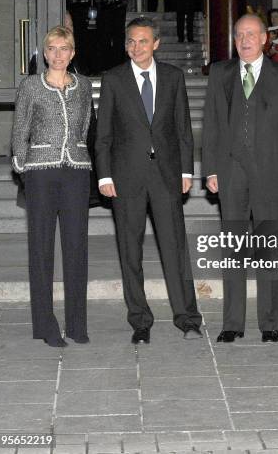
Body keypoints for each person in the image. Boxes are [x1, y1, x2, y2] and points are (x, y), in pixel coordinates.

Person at [95, 17, 202, 344]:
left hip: (167, 175)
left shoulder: (173, 77)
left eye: (142, 41)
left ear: (156, 43)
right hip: (126, 177)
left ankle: (187, 318)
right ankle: (140, 320)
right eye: (131, 41)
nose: (135, 47)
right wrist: (104, 175)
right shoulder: (113, 79)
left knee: (175, 249)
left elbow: (183, 129)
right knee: (130, 251)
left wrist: (186, 171)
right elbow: (103, 136)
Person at [202, 14, 278, 343]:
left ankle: (270, 324)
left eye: (251, 34)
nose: (244, 40)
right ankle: (232, 323)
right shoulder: (220, 73)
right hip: (232, 172)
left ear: (264, 38)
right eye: (239, 35)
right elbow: (211, 124)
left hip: (272, 174)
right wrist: (211, 168)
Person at [11, 26, 93, 347]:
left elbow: (86, 123)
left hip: (76, 171)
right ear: (44, 54)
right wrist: (21, 163)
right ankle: (46, 325)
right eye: (52, 49)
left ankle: (76, 325)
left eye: (64, 49)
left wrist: (78, 150)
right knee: (41, 249)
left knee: (77, 250)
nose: (58, 54)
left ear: (72, 53)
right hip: (40, 173)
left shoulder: (84, 86)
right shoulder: (31, 86)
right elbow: (21, 128)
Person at [97, 0, 129, 71]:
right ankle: (105, 67)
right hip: (104, 12)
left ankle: (119, 67)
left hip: (118, 11)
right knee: (104, 40)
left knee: (118, 40)